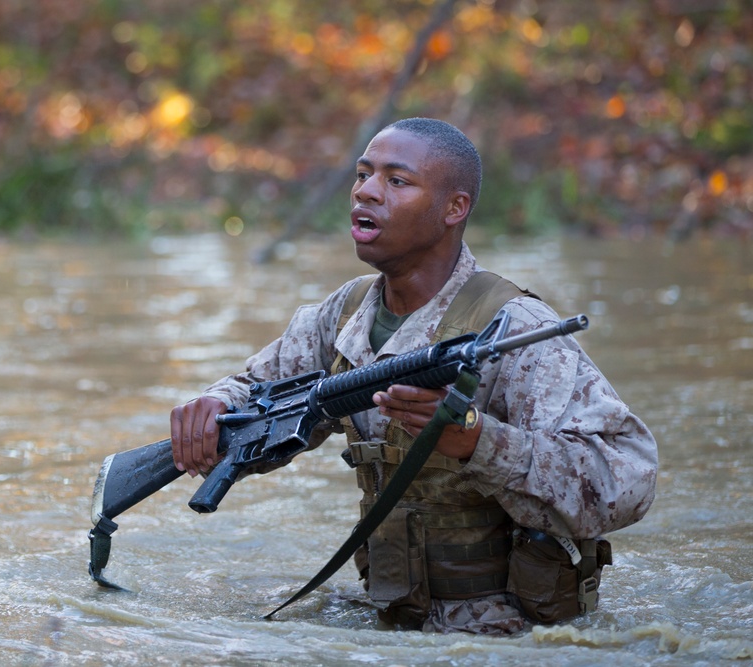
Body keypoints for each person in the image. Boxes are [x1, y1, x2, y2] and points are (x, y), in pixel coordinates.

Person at [169, 117, 658, 634]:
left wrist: (476, 442)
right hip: (393, 613)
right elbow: (258, 386)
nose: (366, 192)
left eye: (396, 181)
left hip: (512, 632)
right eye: (362, 175)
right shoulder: (346, 312)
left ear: (455, 208)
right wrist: (216, 406)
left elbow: (628, 480)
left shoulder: (515, 330)